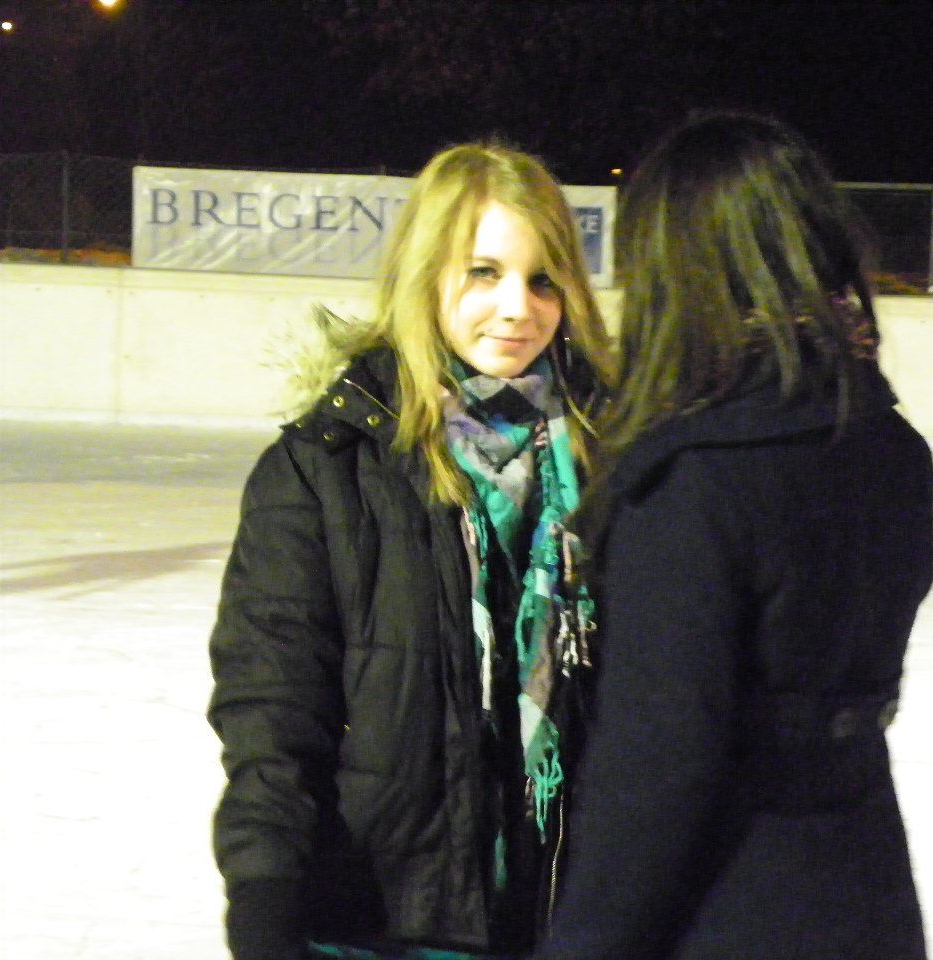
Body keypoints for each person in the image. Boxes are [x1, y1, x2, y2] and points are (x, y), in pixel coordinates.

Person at [531, 112, 933, 960]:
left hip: (728, 905)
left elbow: (660, 765)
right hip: (866, 889)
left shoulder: (695, 483)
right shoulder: (891, 446)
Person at [207, 141, 613, 960]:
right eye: (482, 273)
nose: (517, 308)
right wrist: (264, 897)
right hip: (387, 918)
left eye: (542, 280)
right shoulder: (325, 469)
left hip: (567, 915)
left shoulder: (611, 458)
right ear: (425, 275)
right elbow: (273, 713)